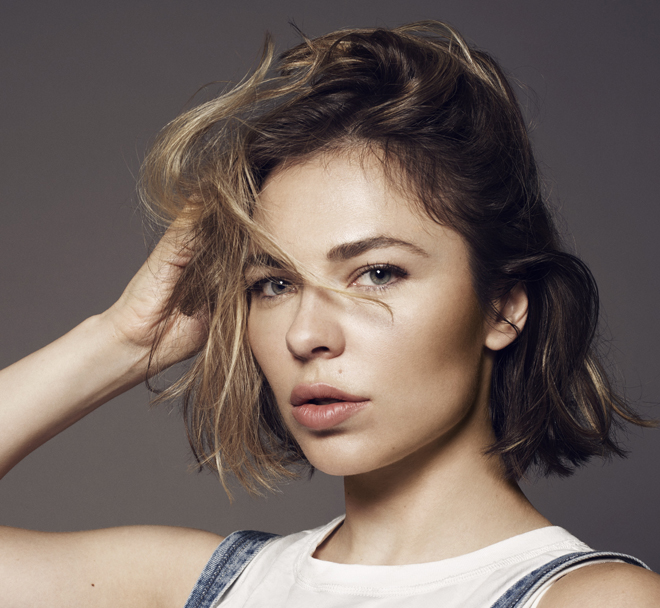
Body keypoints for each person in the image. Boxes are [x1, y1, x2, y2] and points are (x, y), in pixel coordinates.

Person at [0, 20, 658, 608]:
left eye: (378, 273)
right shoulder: (205, 587)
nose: (305, 335)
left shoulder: (598, 600)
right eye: (274, 284)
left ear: (502, 306)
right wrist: (123, 337)